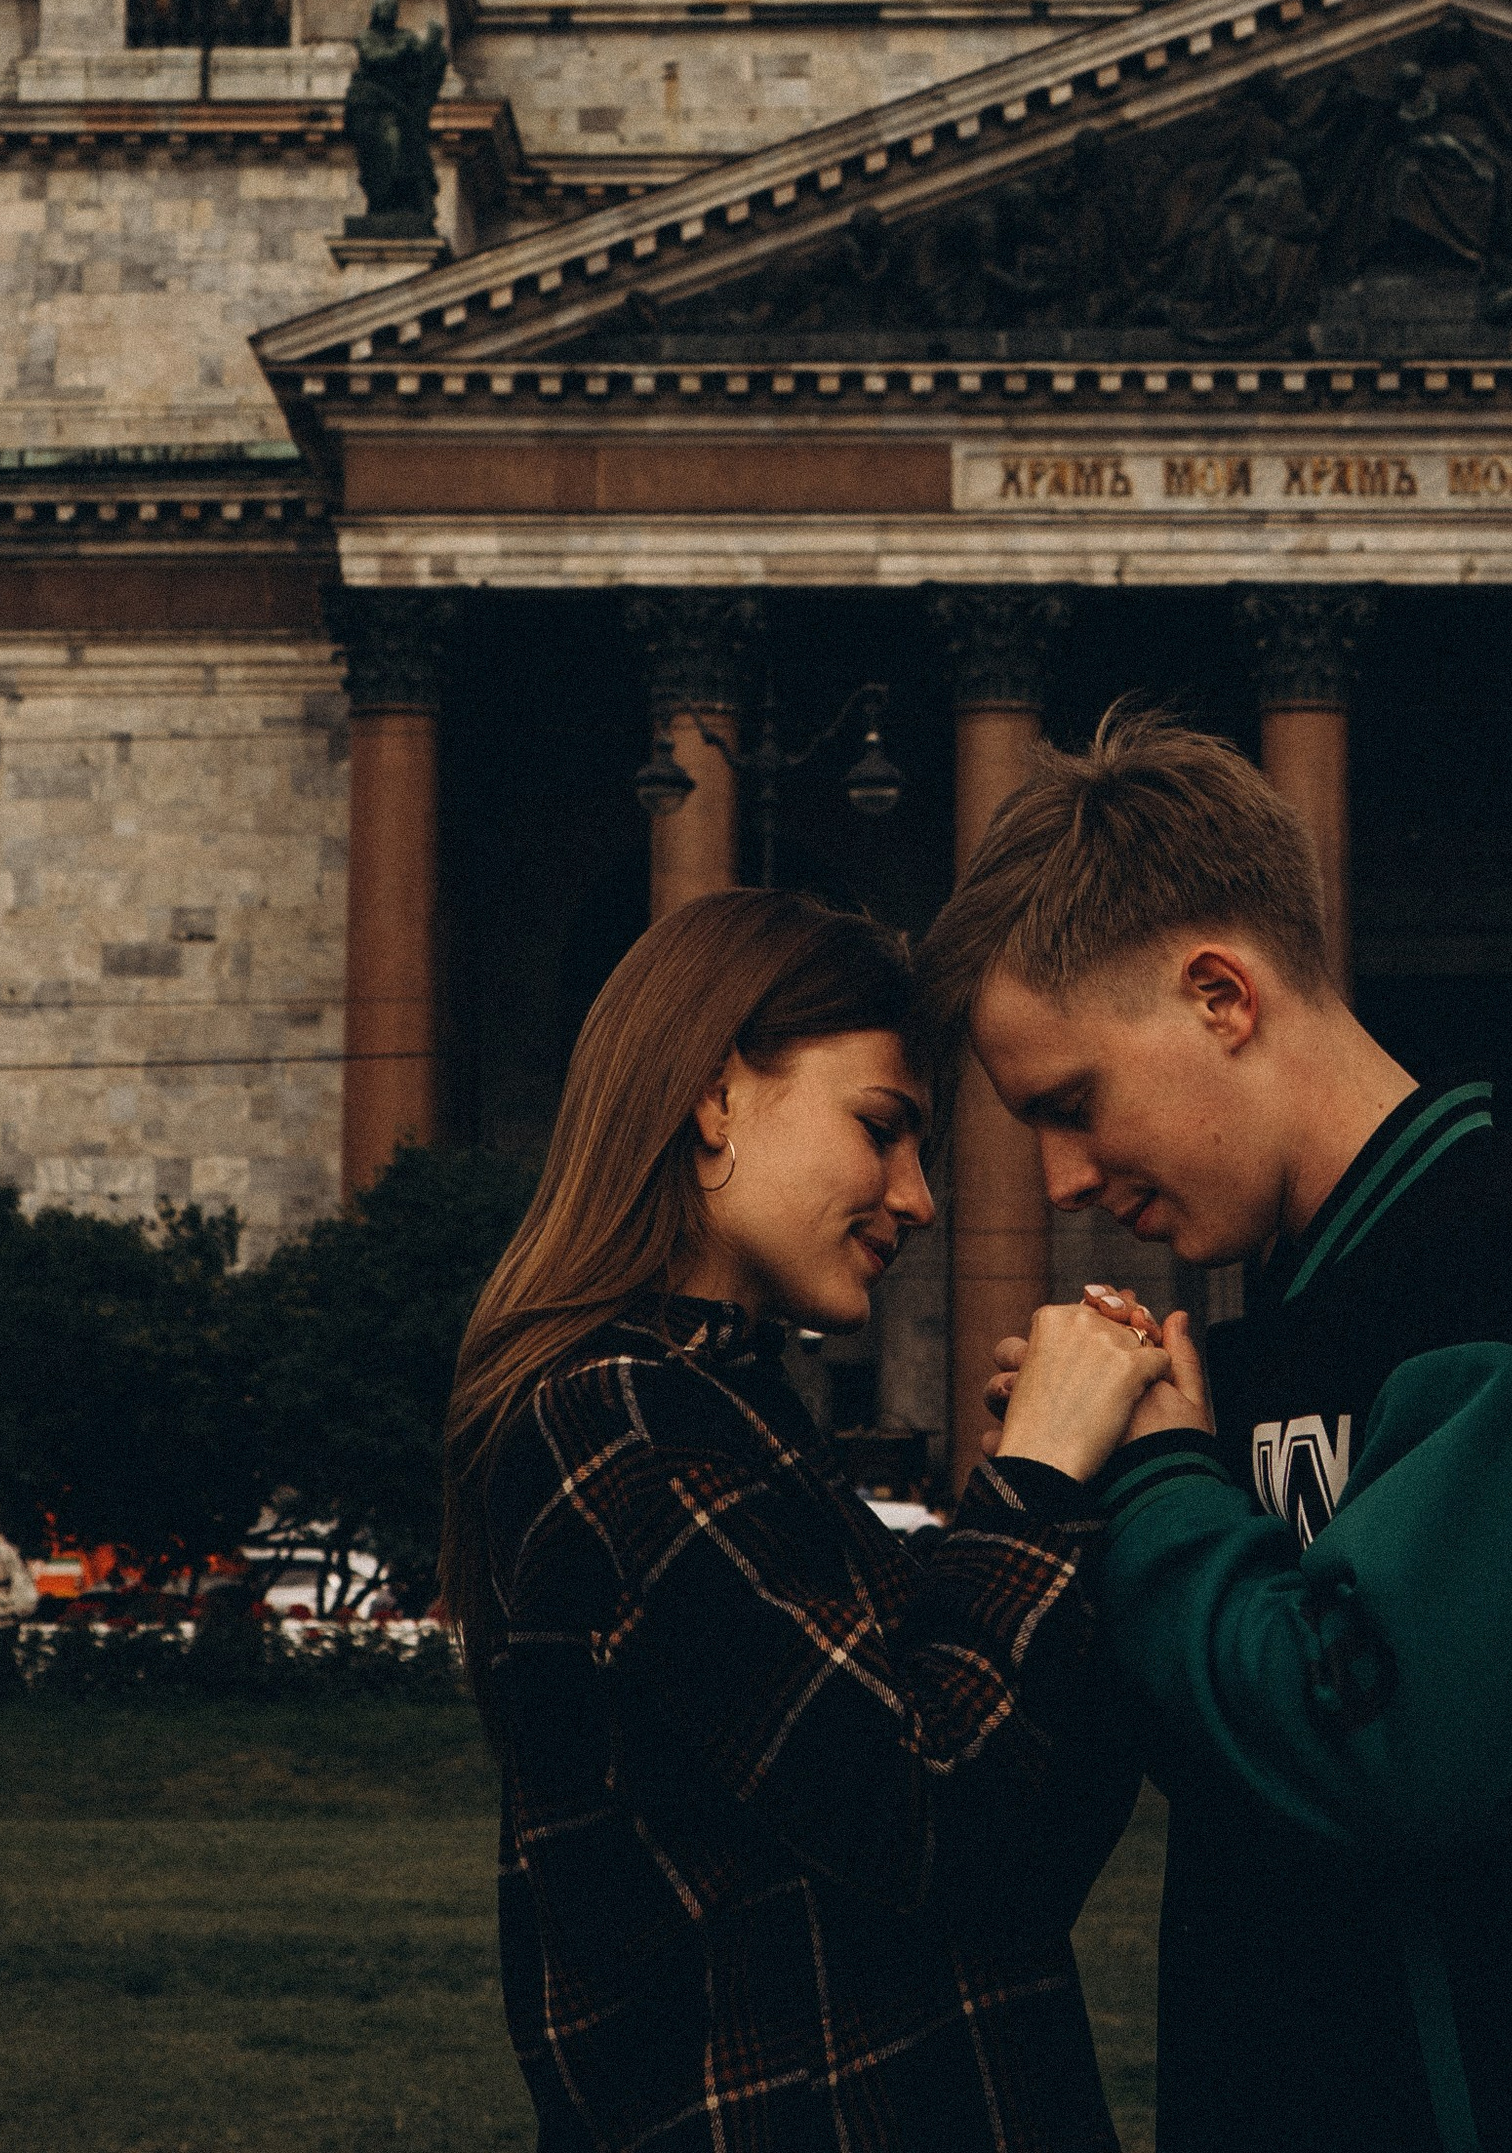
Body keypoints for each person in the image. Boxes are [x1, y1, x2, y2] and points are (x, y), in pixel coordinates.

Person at [924, 708, 1512, 2153]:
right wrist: (1060, 1499)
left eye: (1072, 1104)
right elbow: (1223, 1755)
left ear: (1221, 995)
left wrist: (1155, 1483)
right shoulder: (1296, 1305)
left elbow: (1375, 1750)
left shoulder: (1509, 1283)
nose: (1061, 1178)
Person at [442, 889, 1164, 2153]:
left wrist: (1090, 1503)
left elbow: (1012, 1855)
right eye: (881, 1130)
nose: (918, 1199)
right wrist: (1036, 1482)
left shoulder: (723, 1409)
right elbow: (930, 1808)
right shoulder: (619, 1415)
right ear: (715, 1097)